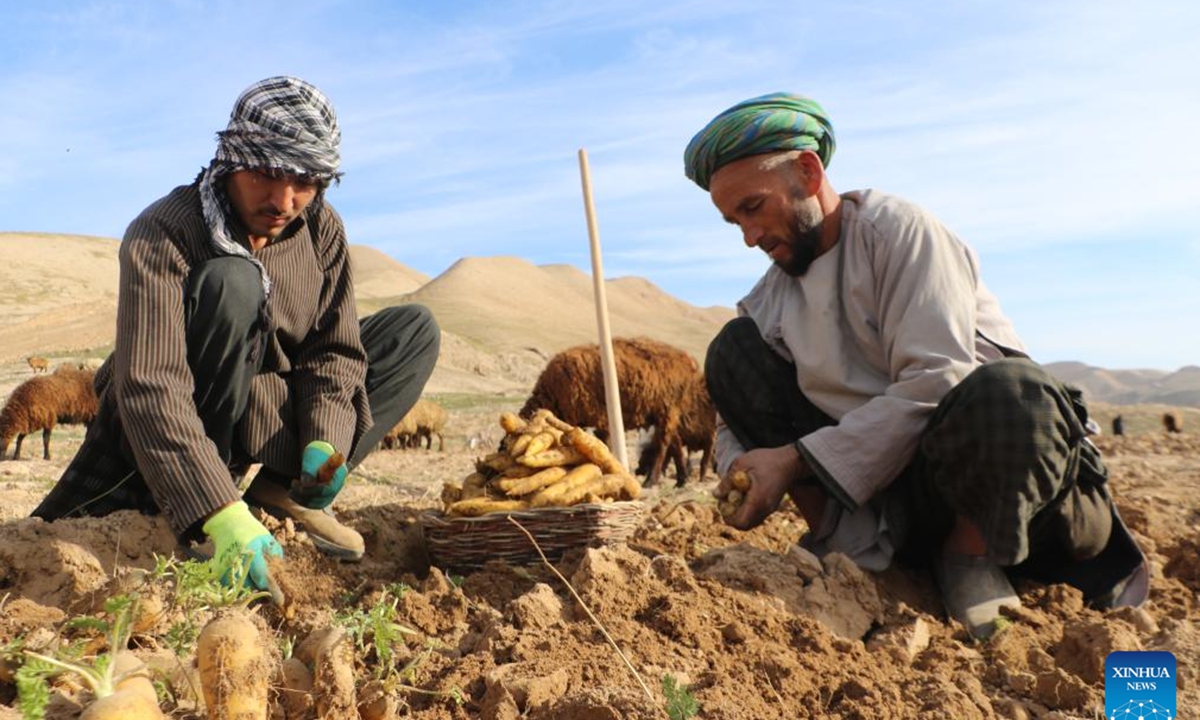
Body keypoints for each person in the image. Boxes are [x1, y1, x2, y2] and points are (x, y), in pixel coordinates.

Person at [686, 93, 1148, 638]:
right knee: (732, 353)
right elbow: (730, 421)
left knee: (1015, 393)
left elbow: (937, 381)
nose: (748, 236)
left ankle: (970, 560)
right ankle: (849, 547)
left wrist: (792, 459)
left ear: (808, 174)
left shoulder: (898, 233)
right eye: (732, 220)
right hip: (895, 505)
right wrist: (741, 470)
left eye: (753, 207)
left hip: (1004, 490)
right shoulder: (768, 299)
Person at [32, 76, 440, 600]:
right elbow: (151, 384)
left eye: (307, 182)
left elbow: (333, 351)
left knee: (411, 331)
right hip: (163, 436)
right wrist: (217, 510)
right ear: (232, 160)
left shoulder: (320, 228)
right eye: (267, 175)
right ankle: (208, 510)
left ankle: (282, 492)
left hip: (264, 402)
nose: (284, 200)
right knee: (231, 281)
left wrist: (325, 440)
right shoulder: (165, 230)